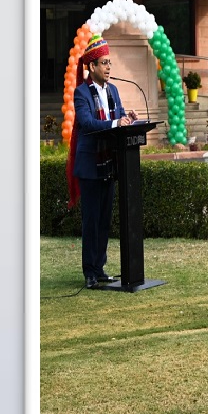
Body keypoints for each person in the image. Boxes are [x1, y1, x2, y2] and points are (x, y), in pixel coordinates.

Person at [66, 49, 135, 288]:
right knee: (91, 221)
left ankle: (100, 268)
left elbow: (120, 116)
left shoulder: (113, 90)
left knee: (105, 220)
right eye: (104, 63)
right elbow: (87, 123)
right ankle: (90, 273)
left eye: (109, 63)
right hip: (90, 165)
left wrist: (129, 118)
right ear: (92, 67)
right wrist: (116, 122)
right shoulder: (81, 92)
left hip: (110, 163)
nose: (108, 68)